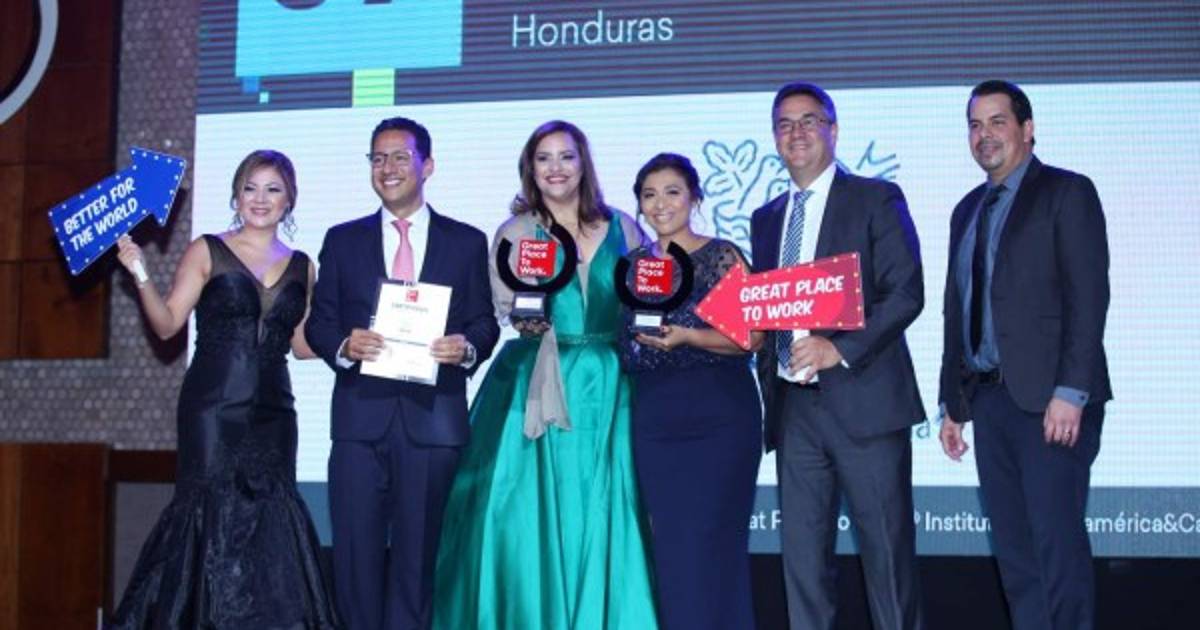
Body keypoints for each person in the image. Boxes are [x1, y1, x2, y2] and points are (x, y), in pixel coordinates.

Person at [432, 120, 658, 629]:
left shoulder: (624, 227)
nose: (556, 168)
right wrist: (527, 318)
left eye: (566, 156)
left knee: (606, 508)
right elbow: (505, 308)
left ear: (584, 163)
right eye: (544, 158)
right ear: (530, 169)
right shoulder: (514, 233)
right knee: (522, 515)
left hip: (609, 386)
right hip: (536, 380)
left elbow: (646, 297)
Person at [109, 149, 339, 629]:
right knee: (206, 513)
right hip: (212, 407)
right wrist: (140, 272)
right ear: (236, 196)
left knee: (273, 516)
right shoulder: (206, 249)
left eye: (273, 189)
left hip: (275, 412)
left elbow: (302, 345)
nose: (261, 198)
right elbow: (168, 324)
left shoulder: (303, 266)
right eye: (250, 188)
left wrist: (357, 336)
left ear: (289, 200)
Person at [303, 117, 499, 630]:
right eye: (377, 158)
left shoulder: (466, 241)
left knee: (420, 563)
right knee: (354, 562)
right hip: (359, 424)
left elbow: (484, 322)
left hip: (433, 422)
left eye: (399, 157)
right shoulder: (342, 239)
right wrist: (344, 344)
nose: (387, 167)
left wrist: (466, 347)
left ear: (427, 166)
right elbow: (320, 323)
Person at [750, 82, 926, 630]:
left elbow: (905, 292)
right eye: (785, 124)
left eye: (809, 120)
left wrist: (839, 349)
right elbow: (770, 308)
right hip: (794, 409)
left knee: (887, 562)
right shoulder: (766, 217)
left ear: (833, 130)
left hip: (865, 402)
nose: (797, 132)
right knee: (802, 566)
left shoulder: (875, 198)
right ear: (775, 138)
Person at [938, 80, 1111, 630]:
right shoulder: (966, 210)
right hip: (989, 401)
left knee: (1055, 550)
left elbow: (1088, 297)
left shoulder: (1066, 192)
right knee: (1016, 558)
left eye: (997, 122)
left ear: (1027, 129)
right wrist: (953, 403)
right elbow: (957, 309)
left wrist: (1071, 392)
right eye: (975, 125)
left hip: (1051, 402)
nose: (984, 135)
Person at [617, 153, 762, 630]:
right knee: (672, 547)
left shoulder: (720, 256)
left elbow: (751, 338)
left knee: (716, 543)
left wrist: (689, 337)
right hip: (656, 416)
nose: (660, 204)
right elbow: (622, 340)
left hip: (720, 414)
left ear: (694, 198)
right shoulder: (633, 266)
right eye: (649, 194)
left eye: (672, 192)